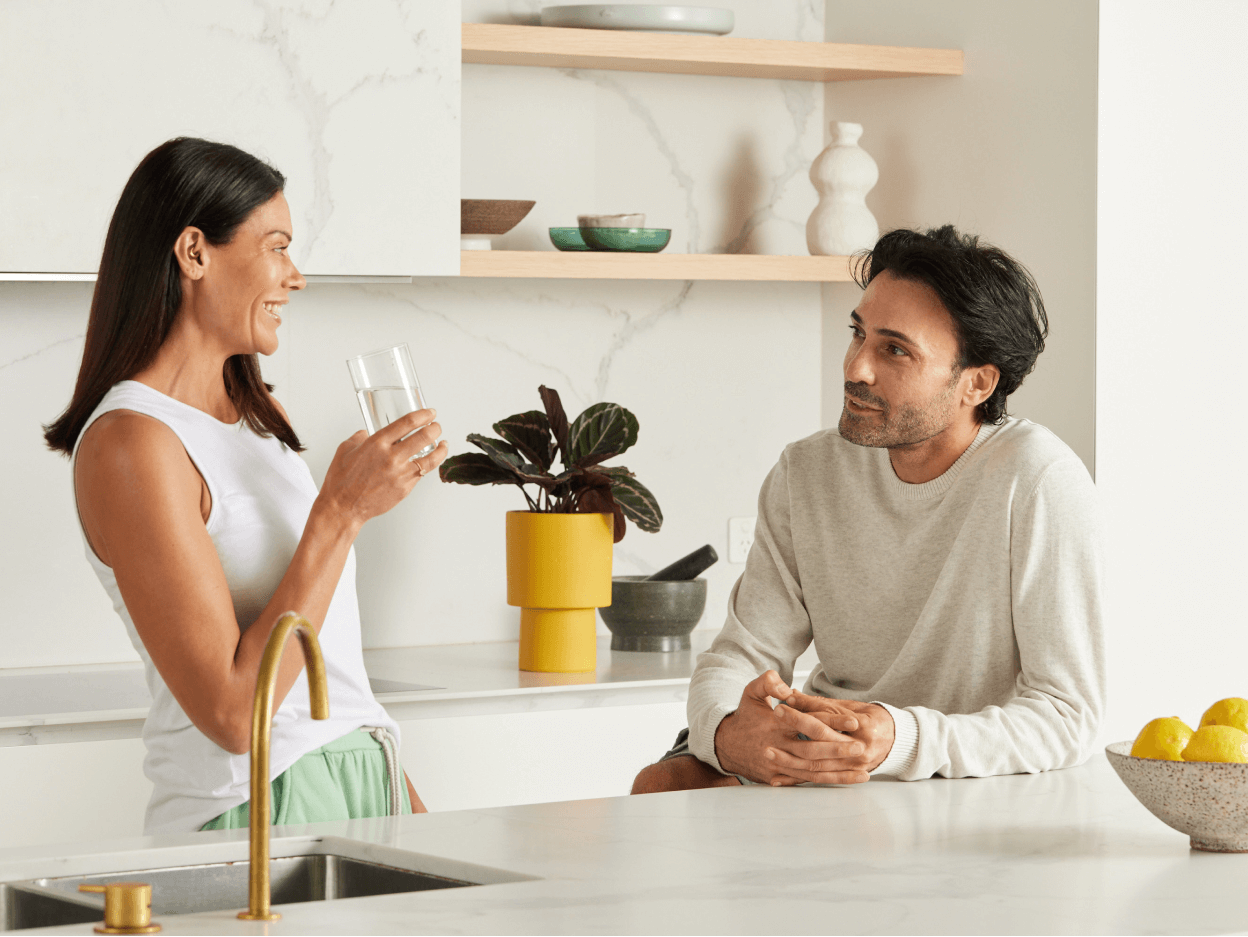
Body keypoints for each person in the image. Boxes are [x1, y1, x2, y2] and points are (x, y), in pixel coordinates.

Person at [44, 137, 448, 833]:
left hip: (364, 777)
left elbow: (337, 673)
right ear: (194, 252)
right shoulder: (130, 444)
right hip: (257, 807)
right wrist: (343, 510)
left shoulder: (264, 423)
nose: (294, 276)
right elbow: (235, 715)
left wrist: (409, 809)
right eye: (277, 245)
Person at [632, 226, 1105, 792]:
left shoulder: (1037, 480)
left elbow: (1068, 715)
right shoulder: (805, 472)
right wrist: (729, 731)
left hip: (956, 767)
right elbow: (741, 654)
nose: (856, 367)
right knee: (661, 785)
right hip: (823, 745)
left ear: (976, 383)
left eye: (895, 350)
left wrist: (898, 738)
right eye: (858, 334)